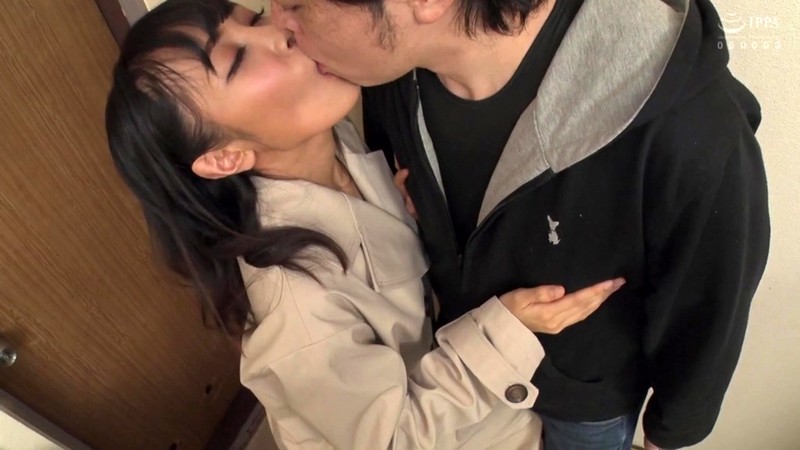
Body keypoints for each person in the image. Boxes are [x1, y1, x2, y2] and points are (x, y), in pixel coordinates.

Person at [104, 0, 625, 448]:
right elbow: (393, 436)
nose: (282, 29)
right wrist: (504, 333)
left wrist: (404, 210)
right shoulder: (295, 305)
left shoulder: (338, 143)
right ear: (224, 157)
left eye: (255, 18)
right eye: (238, 59)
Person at [270, 0, 771, 448]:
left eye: (296, 4)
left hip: (581, 400)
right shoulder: (392, 76)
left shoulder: (694, 131)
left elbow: (707, 309)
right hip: (456, 361)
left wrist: (670, 432)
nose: (277, 23)